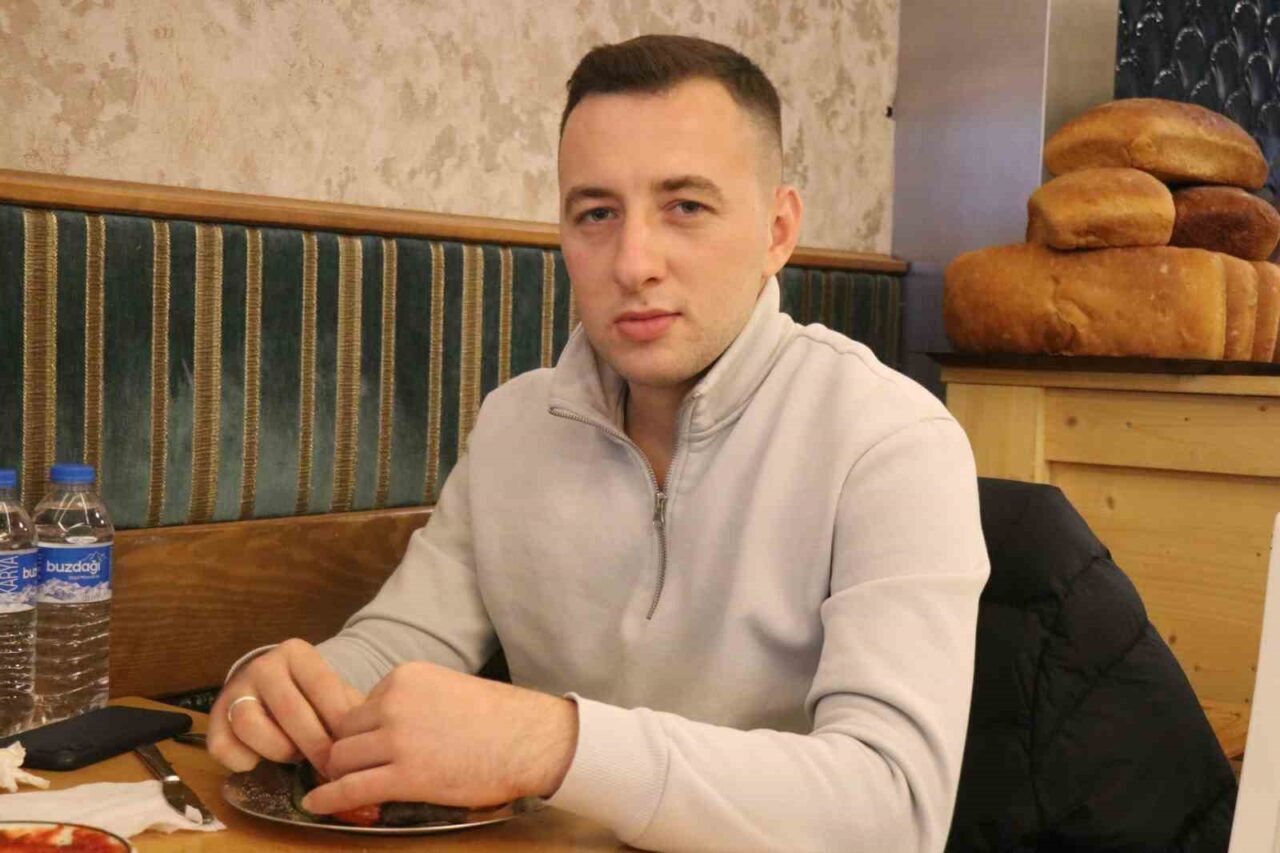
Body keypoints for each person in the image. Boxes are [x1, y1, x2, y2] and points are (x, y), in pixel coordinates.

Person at [208, 34, 989, 853]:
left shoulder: (893, 441)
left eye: (685, 206)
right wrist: (281, 692)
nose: (633, 262)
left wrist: (553, 743)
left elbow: (896, 811)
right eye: (597, 214)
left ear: (777, 230)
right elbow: (398, 646)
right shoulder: (514, 425)